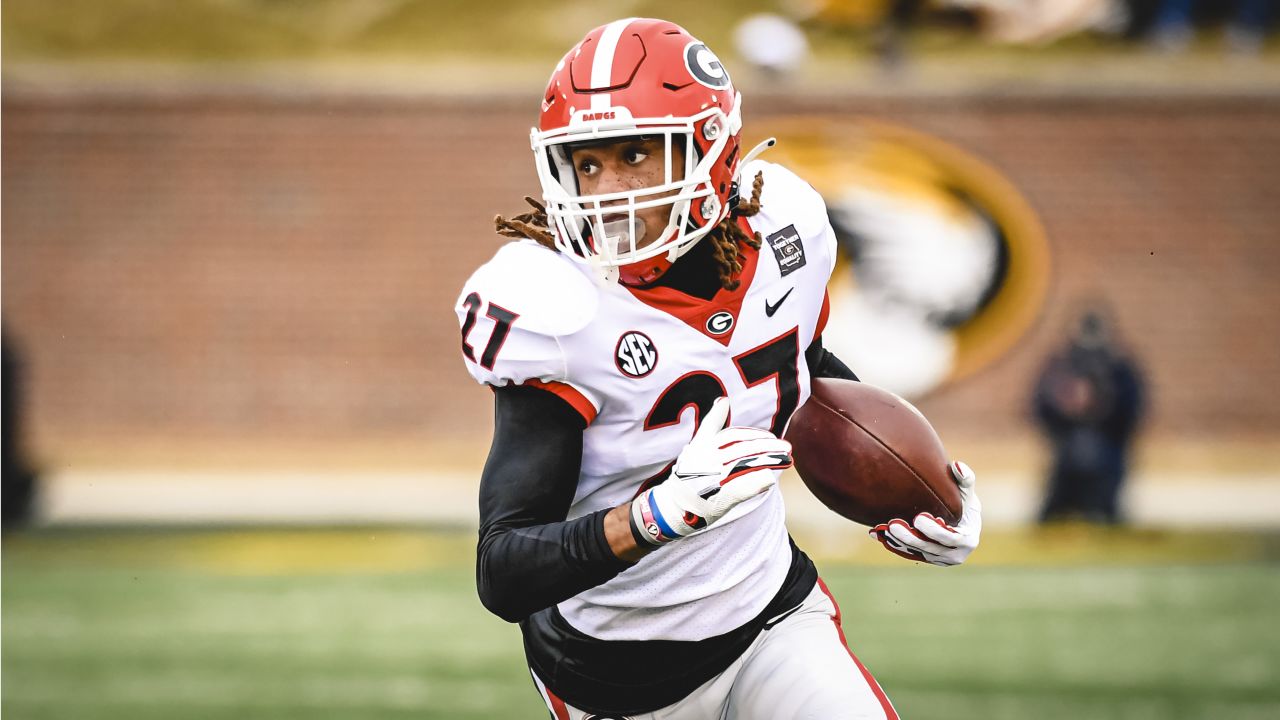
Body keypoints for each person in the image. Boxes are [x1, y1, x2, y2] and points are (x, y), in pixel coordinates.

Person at [454, 18, 982, 719]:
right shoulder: (559, 307)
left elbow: (795, 363)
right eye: (587, 163)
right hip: (614, 677)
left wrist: (912, 488)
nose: (607, 189)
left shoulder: (784, 228)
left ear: (711, 151)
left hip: (771, 618)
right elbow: (504, 569)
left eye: (635, 154)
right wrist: (653, 518)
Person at [1033, 306, 1145, 524]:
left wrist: (1102, 406)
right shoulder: (1062, 364)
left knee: (1105, 515)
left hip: (1107, 452)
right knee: (1053, 518)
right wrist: (1064, 406)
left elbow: (1131, 409)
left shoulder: (1117, 368)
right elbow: (1040, 405)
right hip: (1066, 454)